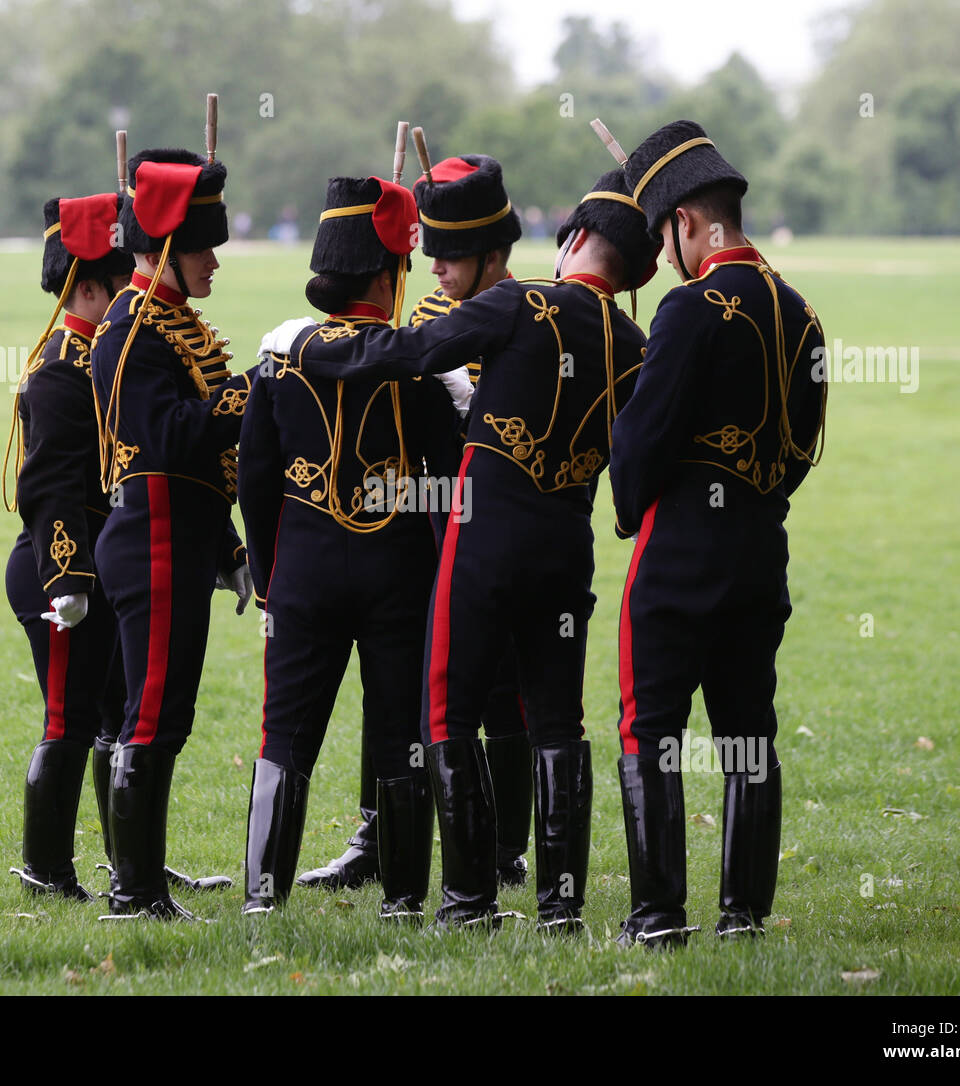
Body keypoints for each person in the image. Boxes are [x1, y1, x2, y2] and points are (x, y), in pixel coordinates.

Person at [281, 167, 660, 932]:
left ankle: (467, 903)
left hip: (483, 540)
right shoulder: (634, 341)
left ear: (575, 240)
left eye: (447, 255)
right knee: (558, 723)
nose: (434, 268)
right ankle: (559, 908)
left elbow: (407, 351)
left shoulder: (518, 301)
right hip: (565, 552)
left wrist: (306, 345)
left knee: (447, 714)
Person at [608, 120, 827, 949]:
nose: (666, 258)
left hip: (680, 551)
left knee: (651, 725)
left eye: (669, 239)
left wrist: (631, 509)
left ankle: (659, 915)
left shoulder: (689, 308)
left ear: (690, 223)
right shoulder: (804, 314)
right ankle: (743, 916)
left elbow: (640, 440)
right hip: (759, 547)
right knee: (747, 729)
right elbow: (803, 443)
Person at [297, 153, 534, 893]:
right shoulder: (431, 318)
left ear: (492, 253)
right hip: (426, 529)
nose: (433, 270)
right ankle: (379, 835)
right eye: (428, 255)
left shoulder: (534, 314)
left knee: (504, 694)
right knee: (410, 698)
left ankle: (502, 848)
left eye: (451, 255)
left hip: (503, 525)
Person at [239, 175, 465, 921]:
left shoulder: (279, 360)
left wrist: (269, 582)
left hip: (301, 574)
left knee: (285, 734)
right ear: (385, 275)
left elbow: (257, 485)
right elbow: (444, 485)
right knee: (399, 733)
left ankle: (261, 897)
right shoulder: (423, 374)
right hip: (397, 573)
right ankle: (402, 898)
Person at [89, 148, 254, 919]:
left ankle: (142, 883)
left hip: (175, 539)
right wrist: (256, 390)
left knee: (166, 716)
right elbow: (168, 441)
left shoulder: (168, 320)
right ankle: (134, 893)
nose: (214, 261)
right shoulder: (131, 328)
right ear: (164, 250)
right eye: (201, 247)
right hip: (150, 542)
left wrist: (225, 548)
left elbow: (195, 471)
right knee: (151, 717)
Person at [3, 192, 133, 900]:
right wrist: (68, 580)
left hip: (99, 569)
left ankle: (130, 864)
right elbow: (50, 485)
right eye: (120, 280)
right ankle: (45, 871)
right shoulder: (63, 366)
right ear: (88, 285)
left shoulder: (107, 354)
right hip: (62, 574)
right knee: (70, 721)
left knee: (117, 717)